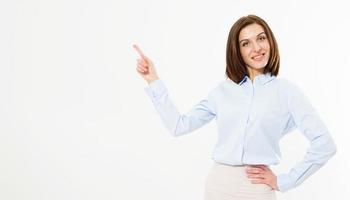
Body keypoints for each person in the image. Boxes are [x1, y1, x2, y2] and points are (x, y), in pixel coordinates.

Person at [133, 15, 337, 200]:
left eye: (261, 38)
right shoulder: (222, 91)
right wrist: (153, 80)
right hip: (218, 185)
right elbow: (178, 126)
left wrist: (285, 181)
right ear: (237, 51)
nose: (256, 48)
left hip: (257, 189)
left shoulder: (287, 92)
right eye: (246, 43)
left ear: (270, 42)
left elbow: (324, 144)